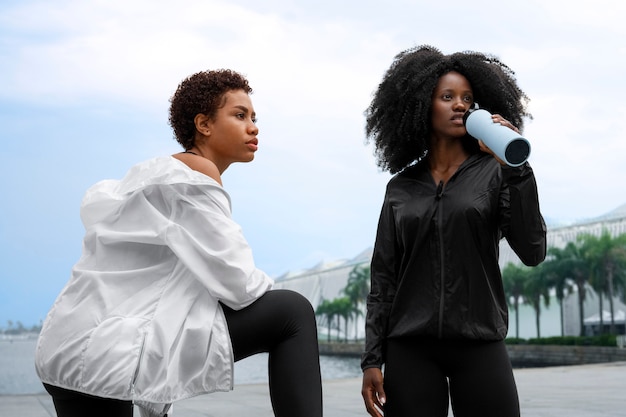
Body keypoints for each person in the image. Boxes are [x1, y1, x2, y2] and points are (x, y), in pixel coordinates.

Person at [35, 69, 323, 417]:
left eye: (254, 117)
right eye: (239, 115)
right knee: (292, 312)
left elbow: (158, 292)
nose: (253, 126)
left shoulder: (152, 175)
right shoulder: (197, 175)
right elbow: (239, 283)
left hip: (67, 346)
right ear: (204, 124)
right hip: (108, 354)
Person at [360, 46, 547, 417]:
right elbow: (383, 278)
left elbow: (533, 250)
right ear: (420, 106)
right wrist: (372, 360)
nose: (460, 105)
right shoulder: (401, 187)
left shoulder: (495, 172)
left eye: (467, 99)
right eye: (447, 97)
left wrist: (517, 170)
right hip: (410, 346)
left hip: (479, 340)